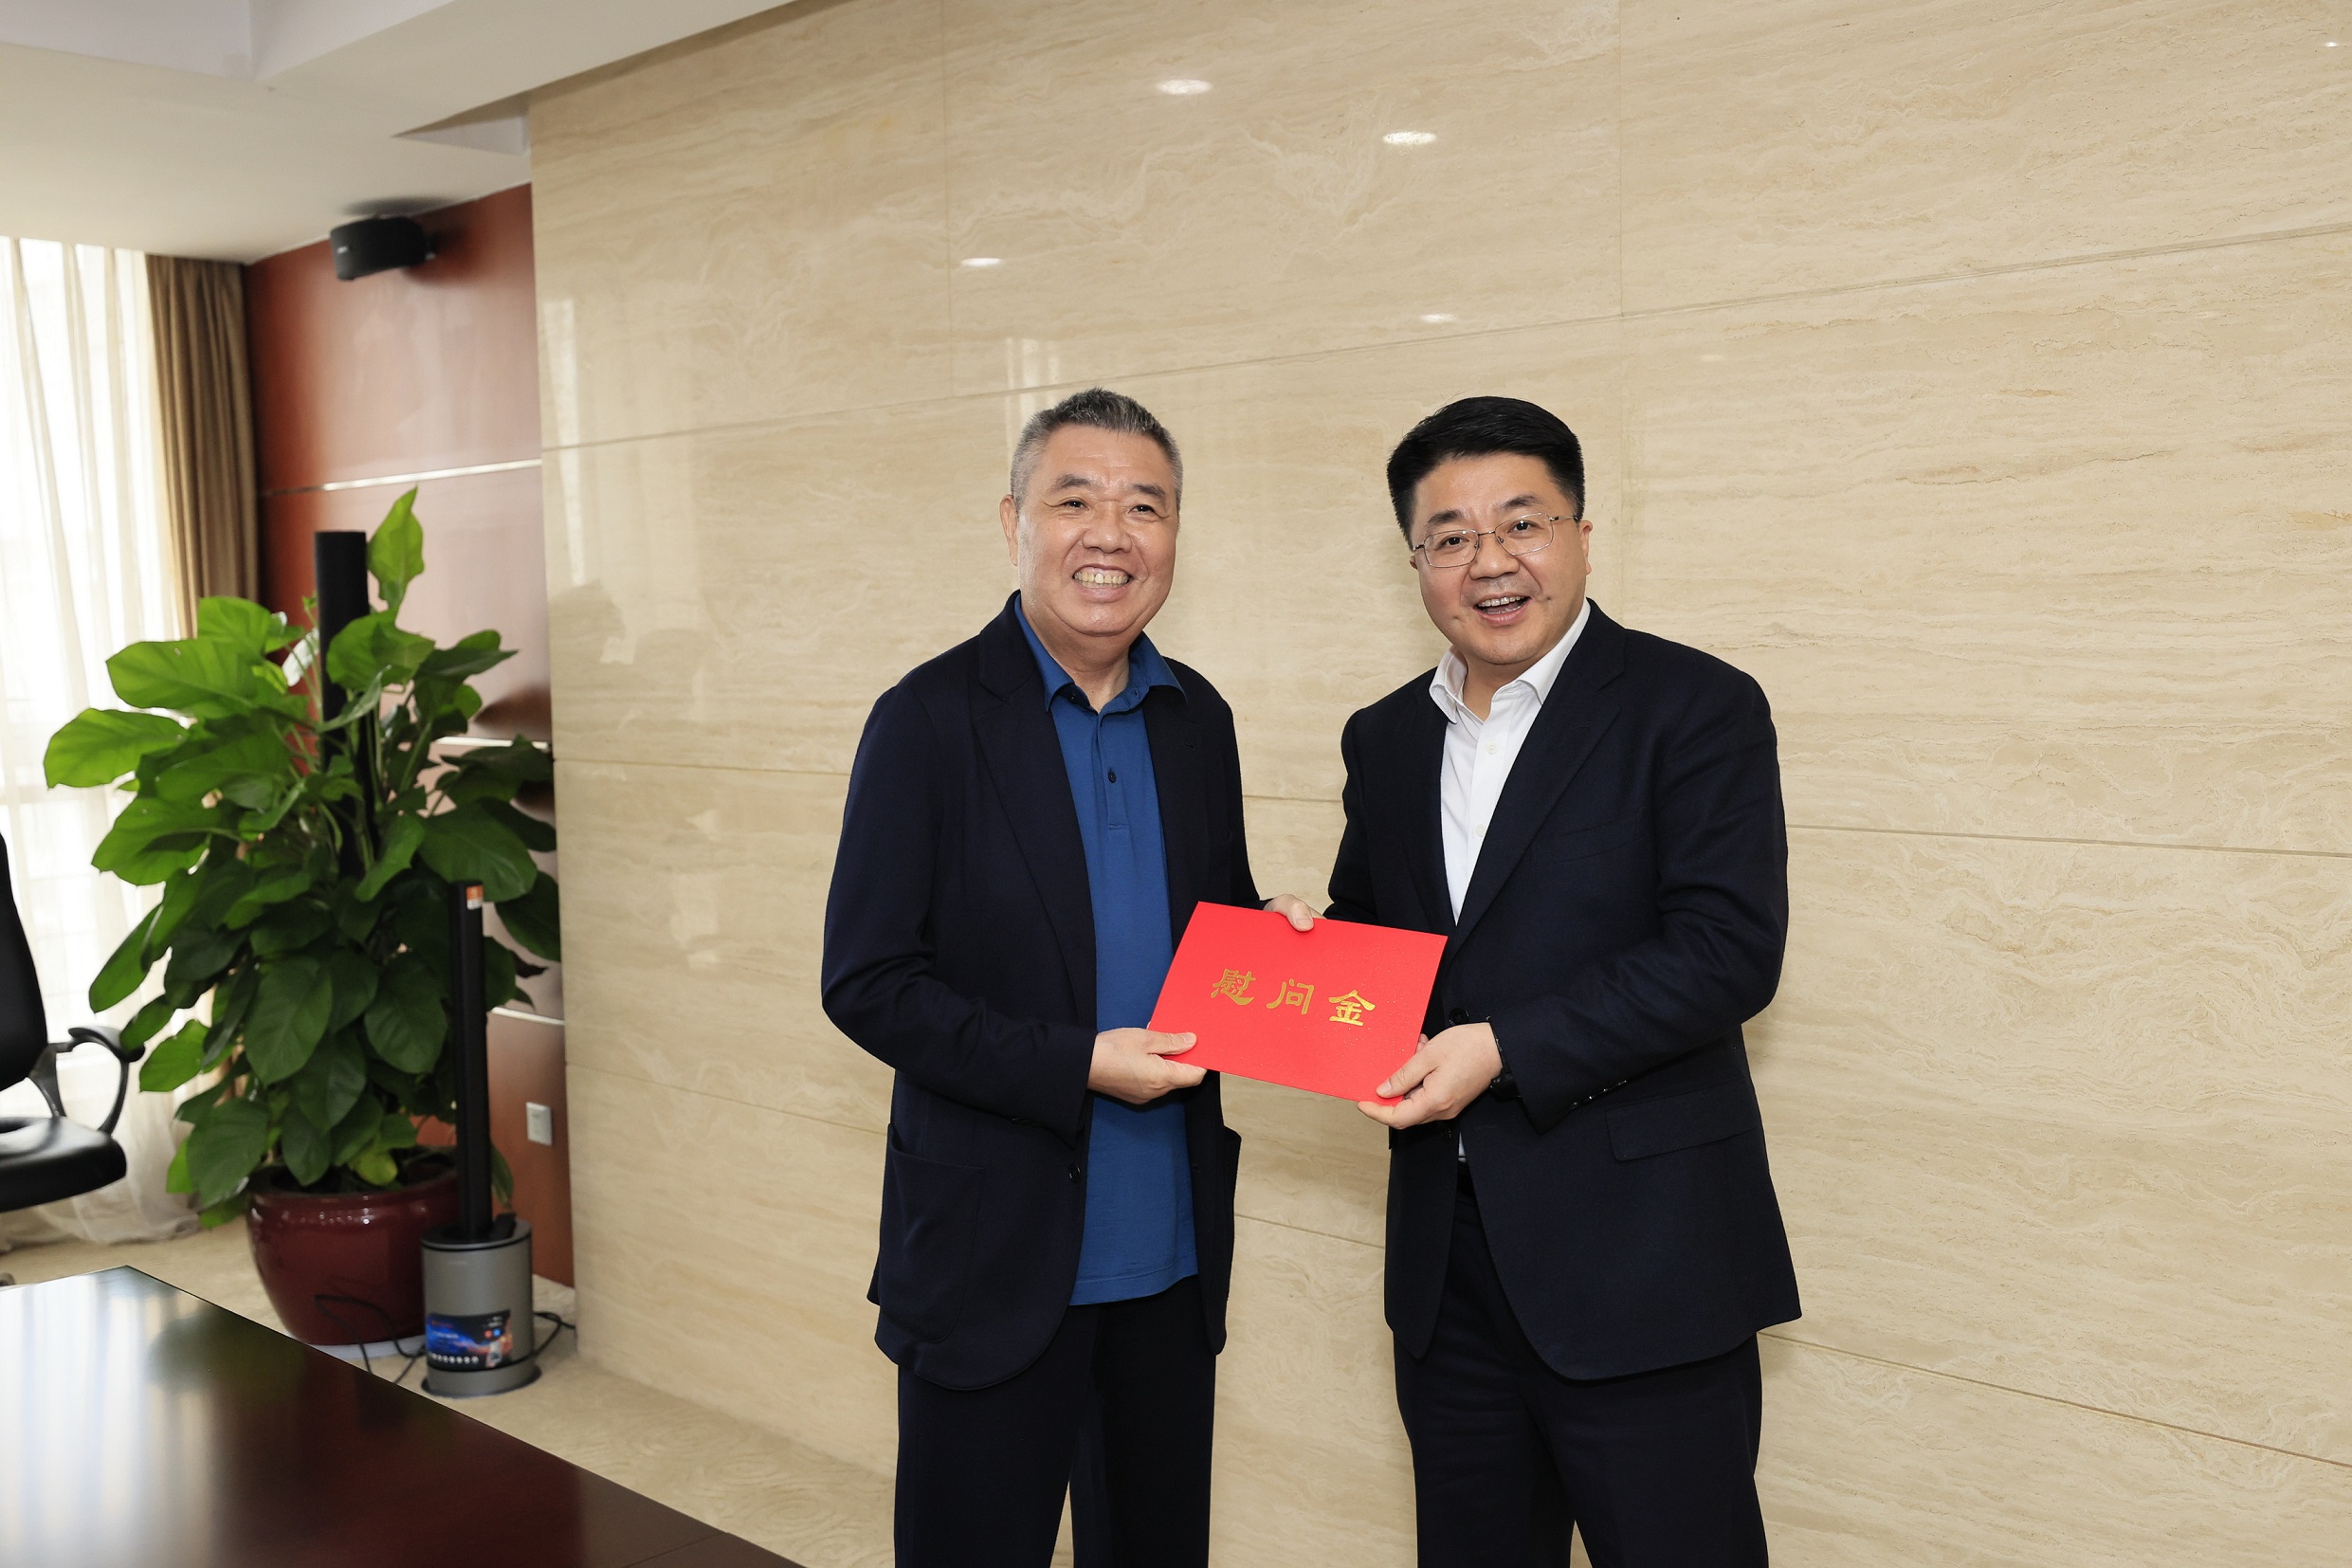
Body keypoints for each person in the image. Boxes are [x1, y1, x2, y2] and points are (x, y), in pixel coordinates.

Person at [821, 388, 1316, 1568]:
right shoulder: (929, 718)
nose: (1111, 534)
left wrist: (1275, 939)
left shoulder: (1197, 719)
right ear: (1014, 523)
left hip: (1170, 1246)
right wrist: (1075, 1063)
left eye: (1145, 506)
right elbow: (868, 979)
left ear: (1176, 534)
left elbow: (1210, 922)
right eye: (1075, 500)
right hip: (992, 1247)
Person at [1328, 396, 1801, 1566]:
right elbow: (1377, 943)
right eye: (1450, 535)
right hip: (1449, 1276)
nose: (1489, 560)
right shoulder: (1384, 738)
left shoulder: (1695, 706)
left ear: (1583, 535)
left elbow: (1728, 949)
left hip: (1646, 1265)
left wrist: (1507, 1046)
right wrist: (1306, 944)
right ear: (1415, 563)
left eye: (1522, 522)